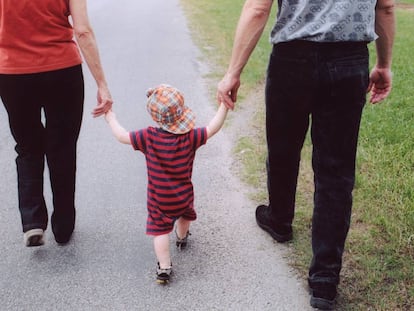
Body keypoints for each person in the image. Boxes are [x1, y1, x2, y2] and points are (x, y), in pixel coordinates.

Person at [217, 0, 394, 309]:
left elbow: (257, 8)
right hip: (349, 58)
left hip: (292, 58)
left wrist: (233, 72)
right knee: (336, 173)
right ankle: (324, 281)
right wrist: (384, 64)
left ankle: (280, 220)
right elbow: (386, 8)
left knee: (283, 149)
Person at [0, 0, 112, 247]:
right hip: (62, 71)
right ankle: (62, 225)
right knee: (62, 148)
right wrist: (102, 84)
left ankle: (32, 222)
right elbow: (82, 30)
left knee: (27, 146)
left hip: (12, 74)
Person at [104, 84, 228, 284]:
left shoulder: (148, 137)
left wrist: (110, 118)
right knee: (185, 214)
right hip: (183, 195)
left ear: (155, 117)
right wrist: (224, 105)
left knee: (160, 231)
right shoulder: (191, 137)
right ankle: (181, 237)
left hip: (159, 199)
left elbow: (121, 136)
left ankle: (164, 267)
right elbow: (213, 128)